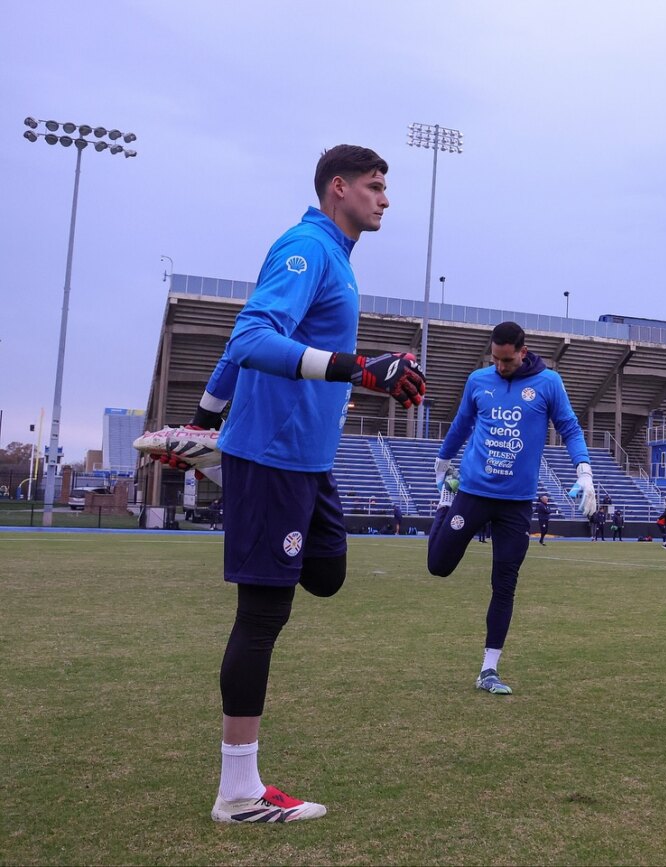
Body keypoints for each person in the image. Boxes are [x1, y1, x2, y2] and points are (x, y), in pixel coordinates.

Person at [195, 146, 425, 824]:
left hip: (306, 461)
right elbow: (249, 338)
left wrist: (202, 421)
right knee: (262, 615)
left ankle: (225, 466)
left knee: (326, 574)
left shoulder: (337, 258)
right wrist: (358, 369)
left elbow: (242, 345)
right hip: (273, 458)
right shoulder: (307, 248)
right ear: (338, 188)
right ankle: (238, 792)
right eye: (375, 186)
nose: (385, 199)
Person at [427, 321, 596, 696]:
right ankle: (444, 501)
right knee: (438, 566)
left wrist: (584, 472)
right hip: (472, 492)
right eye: (496, 359)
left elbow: (570, 428)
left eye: (507, 360)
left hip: (516, 505)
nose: (501, 366)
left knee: (504, 584)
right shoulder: (478, 380)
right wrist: (442, 460)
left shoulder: (548, 383)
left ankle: (488, 669)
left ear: (523, 351)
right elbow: (461, 423)